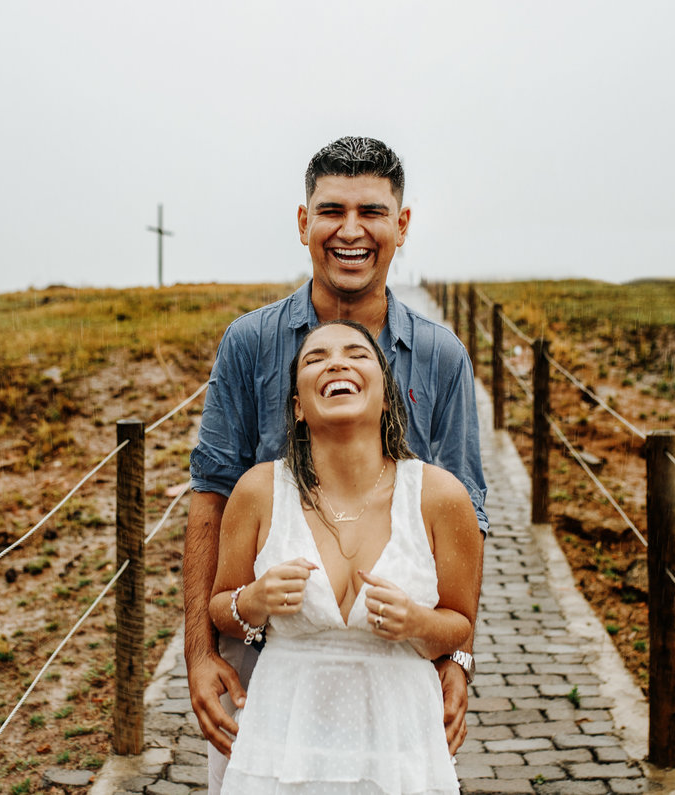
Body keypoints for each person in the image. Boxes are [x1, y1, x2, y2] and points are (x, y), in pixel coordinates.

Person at [184, 136, 487, 790]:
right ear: (303, 222)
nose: (351, 230)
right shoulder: (249, 342)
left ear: (401, 226)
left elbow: (470, 516)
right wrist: (199, 653)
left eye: (372, 211)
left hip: (395, 665)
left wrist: (455, 654)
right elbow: (209, 497)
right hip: (260, 654)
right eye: (331, 210)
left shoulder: (440, 356)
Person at [209, 319, 483, 793]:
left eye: (357, 354)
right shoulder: (258, 491)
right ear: (297, 407)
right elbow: (221, 606)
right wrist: (254, 600)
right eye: (315, 358)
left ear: (385, 395)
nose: (336, 362)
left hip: (398, 745)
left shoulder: (440, 496)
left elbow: (460, 623)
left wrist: (418, 623)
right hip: (284, 740)